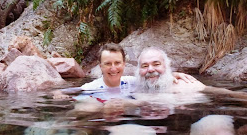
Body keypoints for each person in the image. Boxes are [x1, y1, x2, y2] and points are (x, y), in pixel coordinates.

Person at [53, 43, 196, 100]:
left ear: (124, 64)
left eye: (117, 63)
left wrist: (172, 75)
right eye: (108, 64)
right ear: (100, 66)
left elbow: (153, 77)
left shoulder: (132, 82)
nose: (113, 68)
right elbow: (67, 92)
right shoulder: (91, 88)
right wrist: (58, 94)